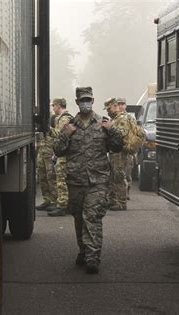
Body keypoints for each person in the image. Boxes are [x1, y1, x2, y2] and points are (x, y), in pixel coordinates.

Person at [53, 87, 123, 274]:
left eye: (88, 99)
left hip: (97, 180)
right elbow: (58, 150)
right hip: (75, 181)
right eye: (82, 100)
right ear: (77, 102)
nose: (86, 103)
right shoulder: (70, 125)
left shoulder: (103, 123)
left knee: (91, 217)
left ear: (93, 100)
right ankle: (83, 251)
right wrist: (65, 134)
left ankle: (93, 257)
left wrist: (112, 130)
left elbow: (117, 147)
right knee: (78, 218)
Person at [48, 98, 74, 217]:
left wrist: (47, 129)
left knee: (61, 179)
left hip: (64, 153)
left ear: (58, 106)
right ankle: (62, 203)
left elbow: (59, 134)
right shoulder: (63, 118)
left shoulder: (65, 118)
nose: (53, 108)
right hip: (62, 152)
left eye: (53, 105)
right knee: (61, 178)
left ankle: (63, 205)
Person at [105, 97, 129, 210]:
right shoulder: (114, 119)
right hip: (114, 152)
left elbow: (122, 134)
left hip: (120, 153)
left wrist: (110, 128)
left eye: (109, 109)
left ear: (115, 106)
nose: (108, 111)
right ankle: (112, 200)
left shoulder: (122, 118)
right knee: (113, 176)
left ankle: (121, 202)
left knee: (119, 176)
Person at [36, 112, 58, 211]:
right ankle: (47, 200)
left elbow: (59, 134)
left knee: (51, 177)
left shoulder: (55, 120)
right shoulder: (40, 127)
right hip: (42, 154)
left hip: (50, 154)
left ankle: (55, 201)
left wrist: (49, 128)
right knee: (42, 177)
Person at [116, 97, 136, 199]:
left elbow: (134, 132)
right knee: (119, 172)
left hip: (127, 149)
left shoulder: (130, 117)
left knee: (127, 173)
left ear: (125, 105)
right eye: (118, 104)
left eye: (122, 104)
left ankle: (127, 192)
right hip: (118, 150)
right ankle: (120, 193)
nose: (120, 106)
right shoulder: (115, 118)